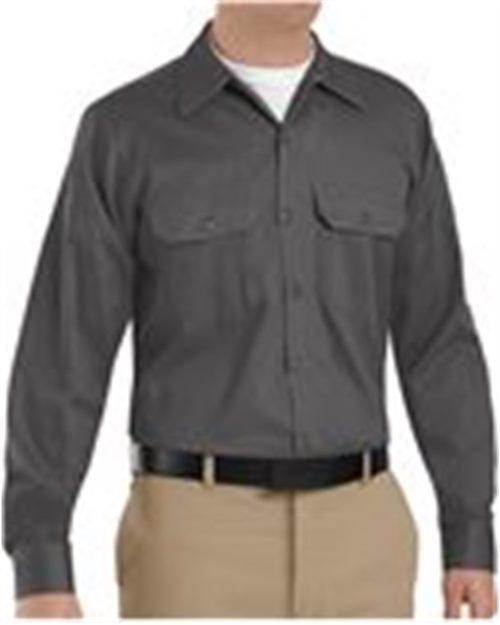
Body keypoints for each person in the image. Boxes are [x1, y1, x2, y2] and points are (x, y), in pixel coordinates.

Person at [3, 0, 498, 618]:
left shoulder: (393, 122)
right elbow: (64, 352)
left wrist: (469, 530)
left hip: (364, 534)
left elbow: (439, 341)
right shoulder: (126, 130)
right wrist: (41, 563)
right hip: (189, 544)